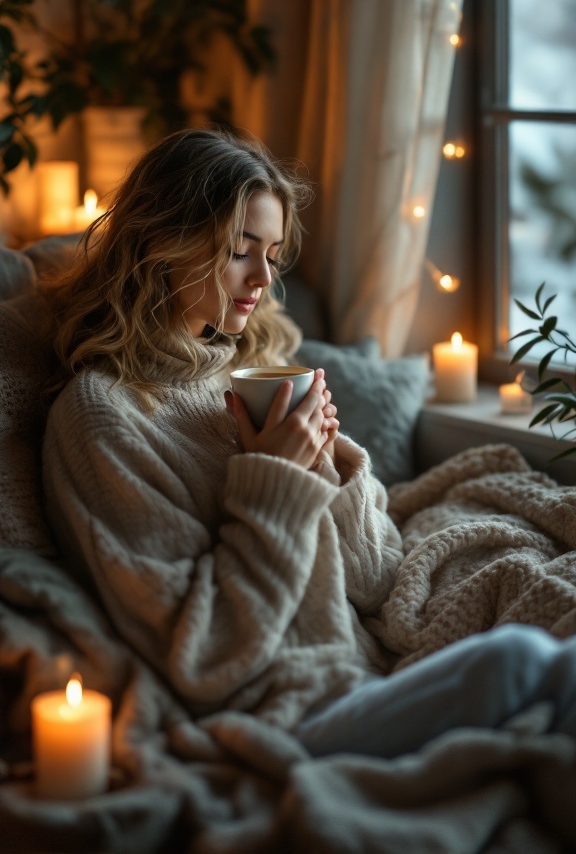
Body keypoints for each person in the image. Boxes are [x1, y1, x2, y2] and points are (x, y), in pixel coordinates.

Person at [42, 127, 576, 759]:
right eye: (240, 250)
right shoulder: (103, 418)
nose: (262, 277)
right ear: (162, 241)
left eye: (271, 254)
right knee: (523, 664)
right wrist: (275, 481)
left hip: (365, 667)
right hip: (280, 716)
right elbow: (206, 655)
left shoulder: (242, 371)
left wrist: (332, 468)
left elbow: (376, 580)